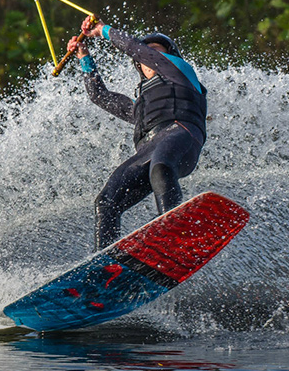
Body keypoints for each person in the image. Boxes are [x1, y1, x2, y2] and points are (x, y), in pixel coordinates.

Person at [67, 15, 207, 252]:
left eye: (155, 50)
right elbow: (99, 96)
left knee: (161, 167)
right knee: (106, 201)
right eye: (146, 54)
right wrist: (83, 56)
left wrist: (103, 30)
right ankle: (104, 261)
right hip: (149, 150)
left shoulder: (180, 71)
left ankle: (174, 234)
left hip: (182, 135)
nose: (148, 56)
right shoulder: (141, 106)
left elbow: (136, 49)